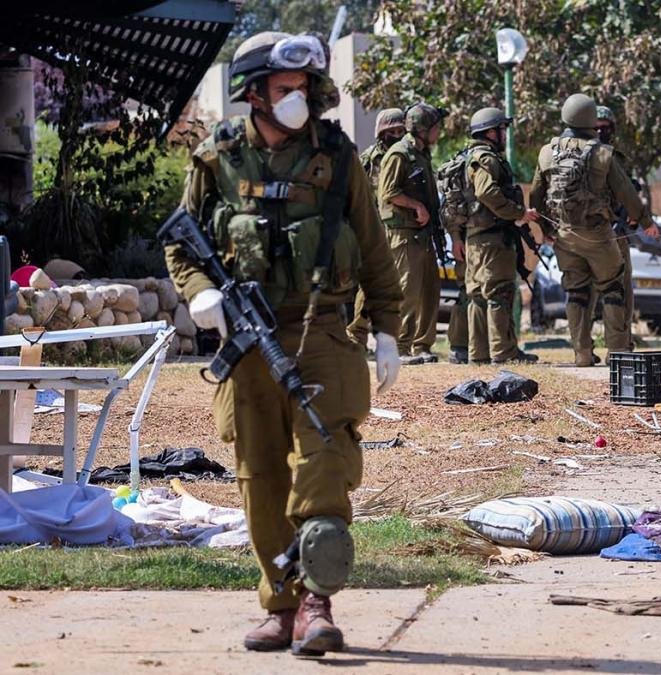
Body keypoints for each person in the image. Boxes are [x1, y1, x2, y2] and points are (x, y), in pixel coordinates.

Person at [163, 31, 403, 656]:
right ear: (254, 94)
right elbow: (180, 243)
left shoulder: (337, 156)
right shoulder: (216, 159)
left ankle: (317, 603)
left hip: (322, 329)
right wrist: (198, 294)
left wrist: (385, 329)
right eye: (284, 88)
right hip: (245, 343)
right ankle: (280, 603)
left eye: (303, 88)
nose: (296, 98)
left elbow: (374, 249)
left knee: (323, 459)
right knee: (259, 473)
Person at [529, 93, 658, 367]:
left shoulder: (546, 152)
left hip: (564, 235)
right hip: (599, 234)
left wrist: (545, 229)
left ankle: (582, 354)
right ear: (590, 120)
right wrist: (646, 222)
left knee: (576, 293)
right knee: (613, 288)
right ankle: (618, 353)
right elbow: (626, 193)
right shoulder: (602, 153)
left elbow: (536, 197)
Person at [461, 107, 541, 364]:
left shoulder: (469, 157)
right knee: (499, 293)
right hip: (493, 240)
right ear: (490, 132)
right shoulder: (487, 159)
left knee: (477, 296)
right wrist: (518, 213)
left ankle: (479, 354)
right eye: (501, 129)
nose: (504, 134)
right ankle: (503, 353)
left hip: (475, 238)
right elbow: (486, 192)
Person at [377, 102, 444, 365]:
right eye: (435, 128)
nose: (439, 133)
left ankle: (421, 345)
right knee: (407, 290)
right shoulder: (399, 154)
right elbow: (388, 192)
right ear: (422, 129)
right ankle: (399, 347)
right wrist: (416, 205)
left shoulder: (422, 153)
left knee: (430, 288)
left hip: (423, 233)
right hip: (403, 233)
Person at [348, 107, 407, 345]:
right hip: (373, 228)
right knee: (369, 283)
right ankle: (356, 334)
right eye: (392, 130)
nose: (397, 134)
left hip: (400, 227)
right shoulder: (368, 160)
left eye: (401, 130)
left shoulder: (407, 156)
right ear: (382, 132)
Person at [591, 105, 639, 344]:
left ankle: (621, 341)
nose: (601, 132)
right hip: (590, 234)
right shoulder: (583, 157)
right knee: (586, 293)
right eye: (596, 128)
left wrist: (633, 214)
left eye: (605, 128)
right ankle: (584, 349)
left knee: (622, 290)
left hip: (617, 232)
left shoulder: (617, 157)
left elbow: (628, 191)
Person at [360, 107, 406, 190]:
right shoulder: (369, 158)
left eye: (400, 131)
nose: (397, 136)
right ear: (382, 134)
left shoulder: (412, 154)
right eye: (392, 132)